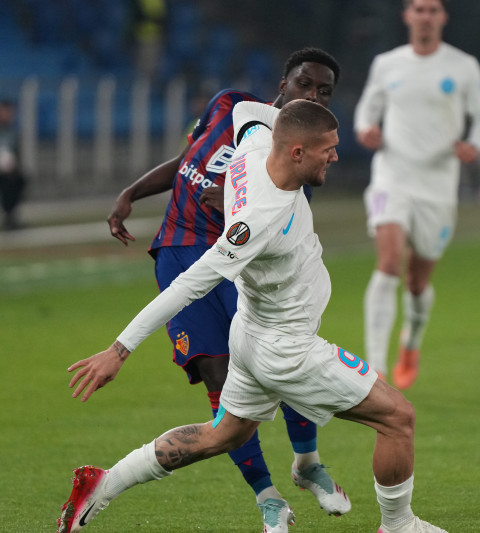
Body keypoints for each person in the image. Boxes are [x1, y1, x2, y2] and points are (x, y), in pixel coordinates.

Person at [58, 99, 447, 533]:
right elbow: (187, 286)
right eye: (327, 149)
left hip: (250, 334)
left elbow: (245, 110)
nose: (336, 156)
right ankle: (399, 526)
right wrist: (119, 350)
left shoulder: (257, 144)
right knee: (398, 418)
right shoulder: (259, 219)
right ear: (297, 152)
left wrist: (287, 114)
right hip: (287, 349)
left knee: (223, 434)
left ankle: (102, 484)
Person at [103, 48, 349, 531]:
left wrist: (235, 199)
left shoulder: (297, 162)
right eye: (306, 84)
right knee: (218, 380)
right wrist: (131, 193)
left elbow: (269, 215)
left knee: (278, 364)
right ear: (284, 82)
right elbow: (185, 161)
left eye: (324, 92)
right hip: (177, 249)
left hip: (235, 263)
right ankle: (268, 498)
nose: (312, 95)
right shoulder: (228, 106)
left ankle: (307, 461)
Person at [353, 0, 480, 389]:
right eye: (419, 9)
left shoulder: (463, 66)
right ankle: (375, 369)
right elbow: (368, 108)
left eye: (433, 10)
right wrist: (366, 128)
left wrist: (474, 144)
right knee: (388, 262)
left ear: (443, 17)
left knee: (417, 281)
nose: (426, 16)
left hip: (437, 186)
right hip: (392, 176)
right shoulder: (387, 63)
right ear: (407, 16)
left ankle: (410, 343)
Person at [0, 99, 26, 230]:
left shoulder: (12, 132)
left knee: (18, 179)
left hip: (8, 171)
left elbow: (15, 153)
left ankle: (10, 216)